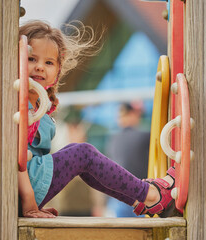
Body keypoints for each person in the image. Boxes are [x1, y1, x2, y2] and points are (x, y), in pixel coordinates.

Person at [18, 20, 175, 218]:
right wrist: (29, 204)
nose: (40, 67)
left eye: (48, 62)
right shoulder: (20, 106)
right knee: (82, 153)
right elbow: (16, 159)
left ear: (57, 72)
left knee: (80, 158)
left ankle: (144, 201)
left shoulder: (39, 108)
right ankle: (152, 195)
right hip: (23, 189)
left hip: (30, 185)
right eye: (32, 59)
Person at [106, 102, 150, 217]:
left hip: (119, 196)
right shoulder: (144, 136)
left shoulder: (113, 140)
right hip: (140, 195)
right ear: (133, 115)